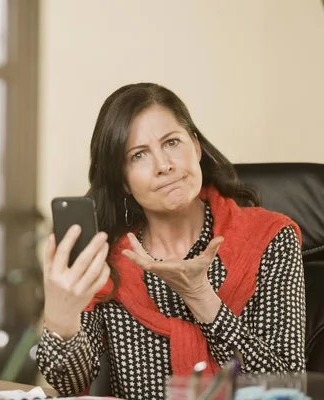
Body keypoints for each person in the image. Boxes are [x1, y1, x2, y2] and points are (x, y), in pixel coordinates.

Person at [35, 83, 306, 400]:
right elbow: (68, 383)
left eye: (172, 142)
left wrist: (202, 297)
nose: (164, 165)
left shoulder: (269, 238)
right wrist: (60, 318)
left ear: (196, 147)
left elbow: (288, 388)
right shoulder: (107, 257)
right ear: (123, 180)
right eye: (139, 155)